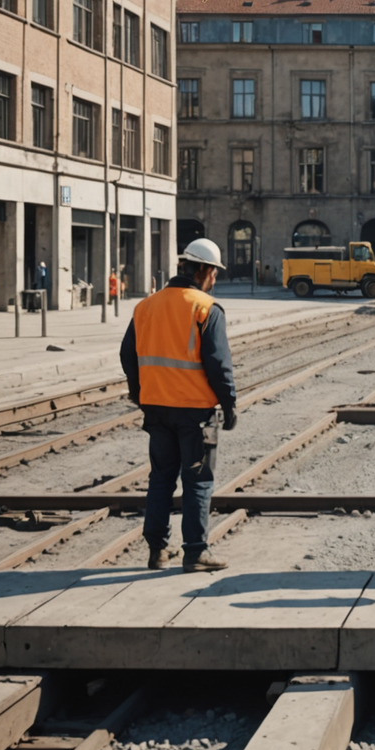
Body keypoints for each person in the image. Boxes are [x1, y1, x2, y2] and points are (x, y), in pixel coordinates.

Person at [121, 239, 236, 572]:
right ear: (202, 270)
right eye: (213, 271)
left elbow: (127, 354)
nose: (214, 278)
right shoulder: (205, 308)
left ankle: (157, 551)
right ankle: (195, 551)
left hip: (156, 408)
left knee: (161, 478)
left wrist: (139, 392)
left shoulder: (146, 306)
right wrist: (229, 404)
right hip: (195, 412)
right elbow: (218, 363)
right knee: (198, 480)